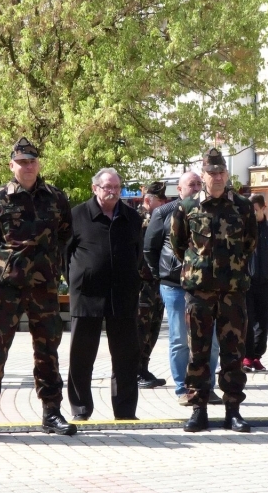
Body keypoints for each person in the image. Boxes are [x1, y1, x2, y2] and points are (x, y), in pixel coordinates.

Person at [0, 137, 75, 439]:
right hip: (8, 289)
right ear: (11, 165)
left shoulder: (56, 198)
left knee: (48, 350)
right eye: (22, 161)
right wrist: (5, 261)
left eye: (32, 160)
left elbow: (64, 233)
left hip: (44, 287)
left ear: (38, 163)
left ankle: (52, 412)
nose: (27, 166)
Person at [170, 148, 257, 433]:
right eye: (212, 173)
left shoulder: (243, 206)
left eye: (221, 172)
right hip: (200, 293)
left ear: (226, 174)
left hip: (233, 292)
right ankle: (198, 409)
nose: (217, 177)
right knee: (198, 353)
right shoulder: (187, 206)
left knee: (233, 352)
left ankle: (233, 410)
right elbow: (179, 244)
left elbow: (250, 243)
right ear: (203, 174)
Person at [65, 167, 143, 421]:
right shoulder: (76, 215)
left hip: (123, 296)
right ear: (95, 188)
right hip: (87, 296)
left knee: (126, 357)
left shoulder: (132, 217)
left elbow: (138, 254)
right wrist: (80, 278)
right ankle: (80, 409)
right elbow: (64, 255)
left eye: (117, 188)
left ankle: (125, 412)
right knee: (81, 356)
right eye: (107, 187)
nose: (112, 192)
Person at [143, 172, 222, 405]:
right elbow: (150, 248)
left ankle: (207, 386)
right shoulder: (164, 212)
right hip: (175, 285)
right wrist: (162, 274)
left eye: (199, 183)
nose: (197, 187)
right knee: (179, 338)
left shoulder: (211, 209)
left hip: (206, 286)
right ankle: (182, 387)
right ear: (179, 189)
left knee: (212, 339)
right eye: (191, 184)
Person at [136, 181, 168, 389]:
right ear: (148, 201)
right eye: (161, 201)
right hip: (141, 284)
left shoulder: (163, 219)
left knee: (153, 327)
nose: (165, 204)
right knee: (140, 328)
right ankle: (134, 371)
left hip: (158, 283)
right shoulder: (137, 221)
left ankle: (143, 367)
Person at [243, 194, 268, 372]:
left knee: (263, 321)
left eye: (254, 210)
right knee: (248, 319)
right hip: (247, 281)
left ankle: (257, 355)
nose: (251, 214)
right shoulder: (244, 229)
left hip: (265, 281)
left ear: (264, 208)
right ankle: (247, 356)